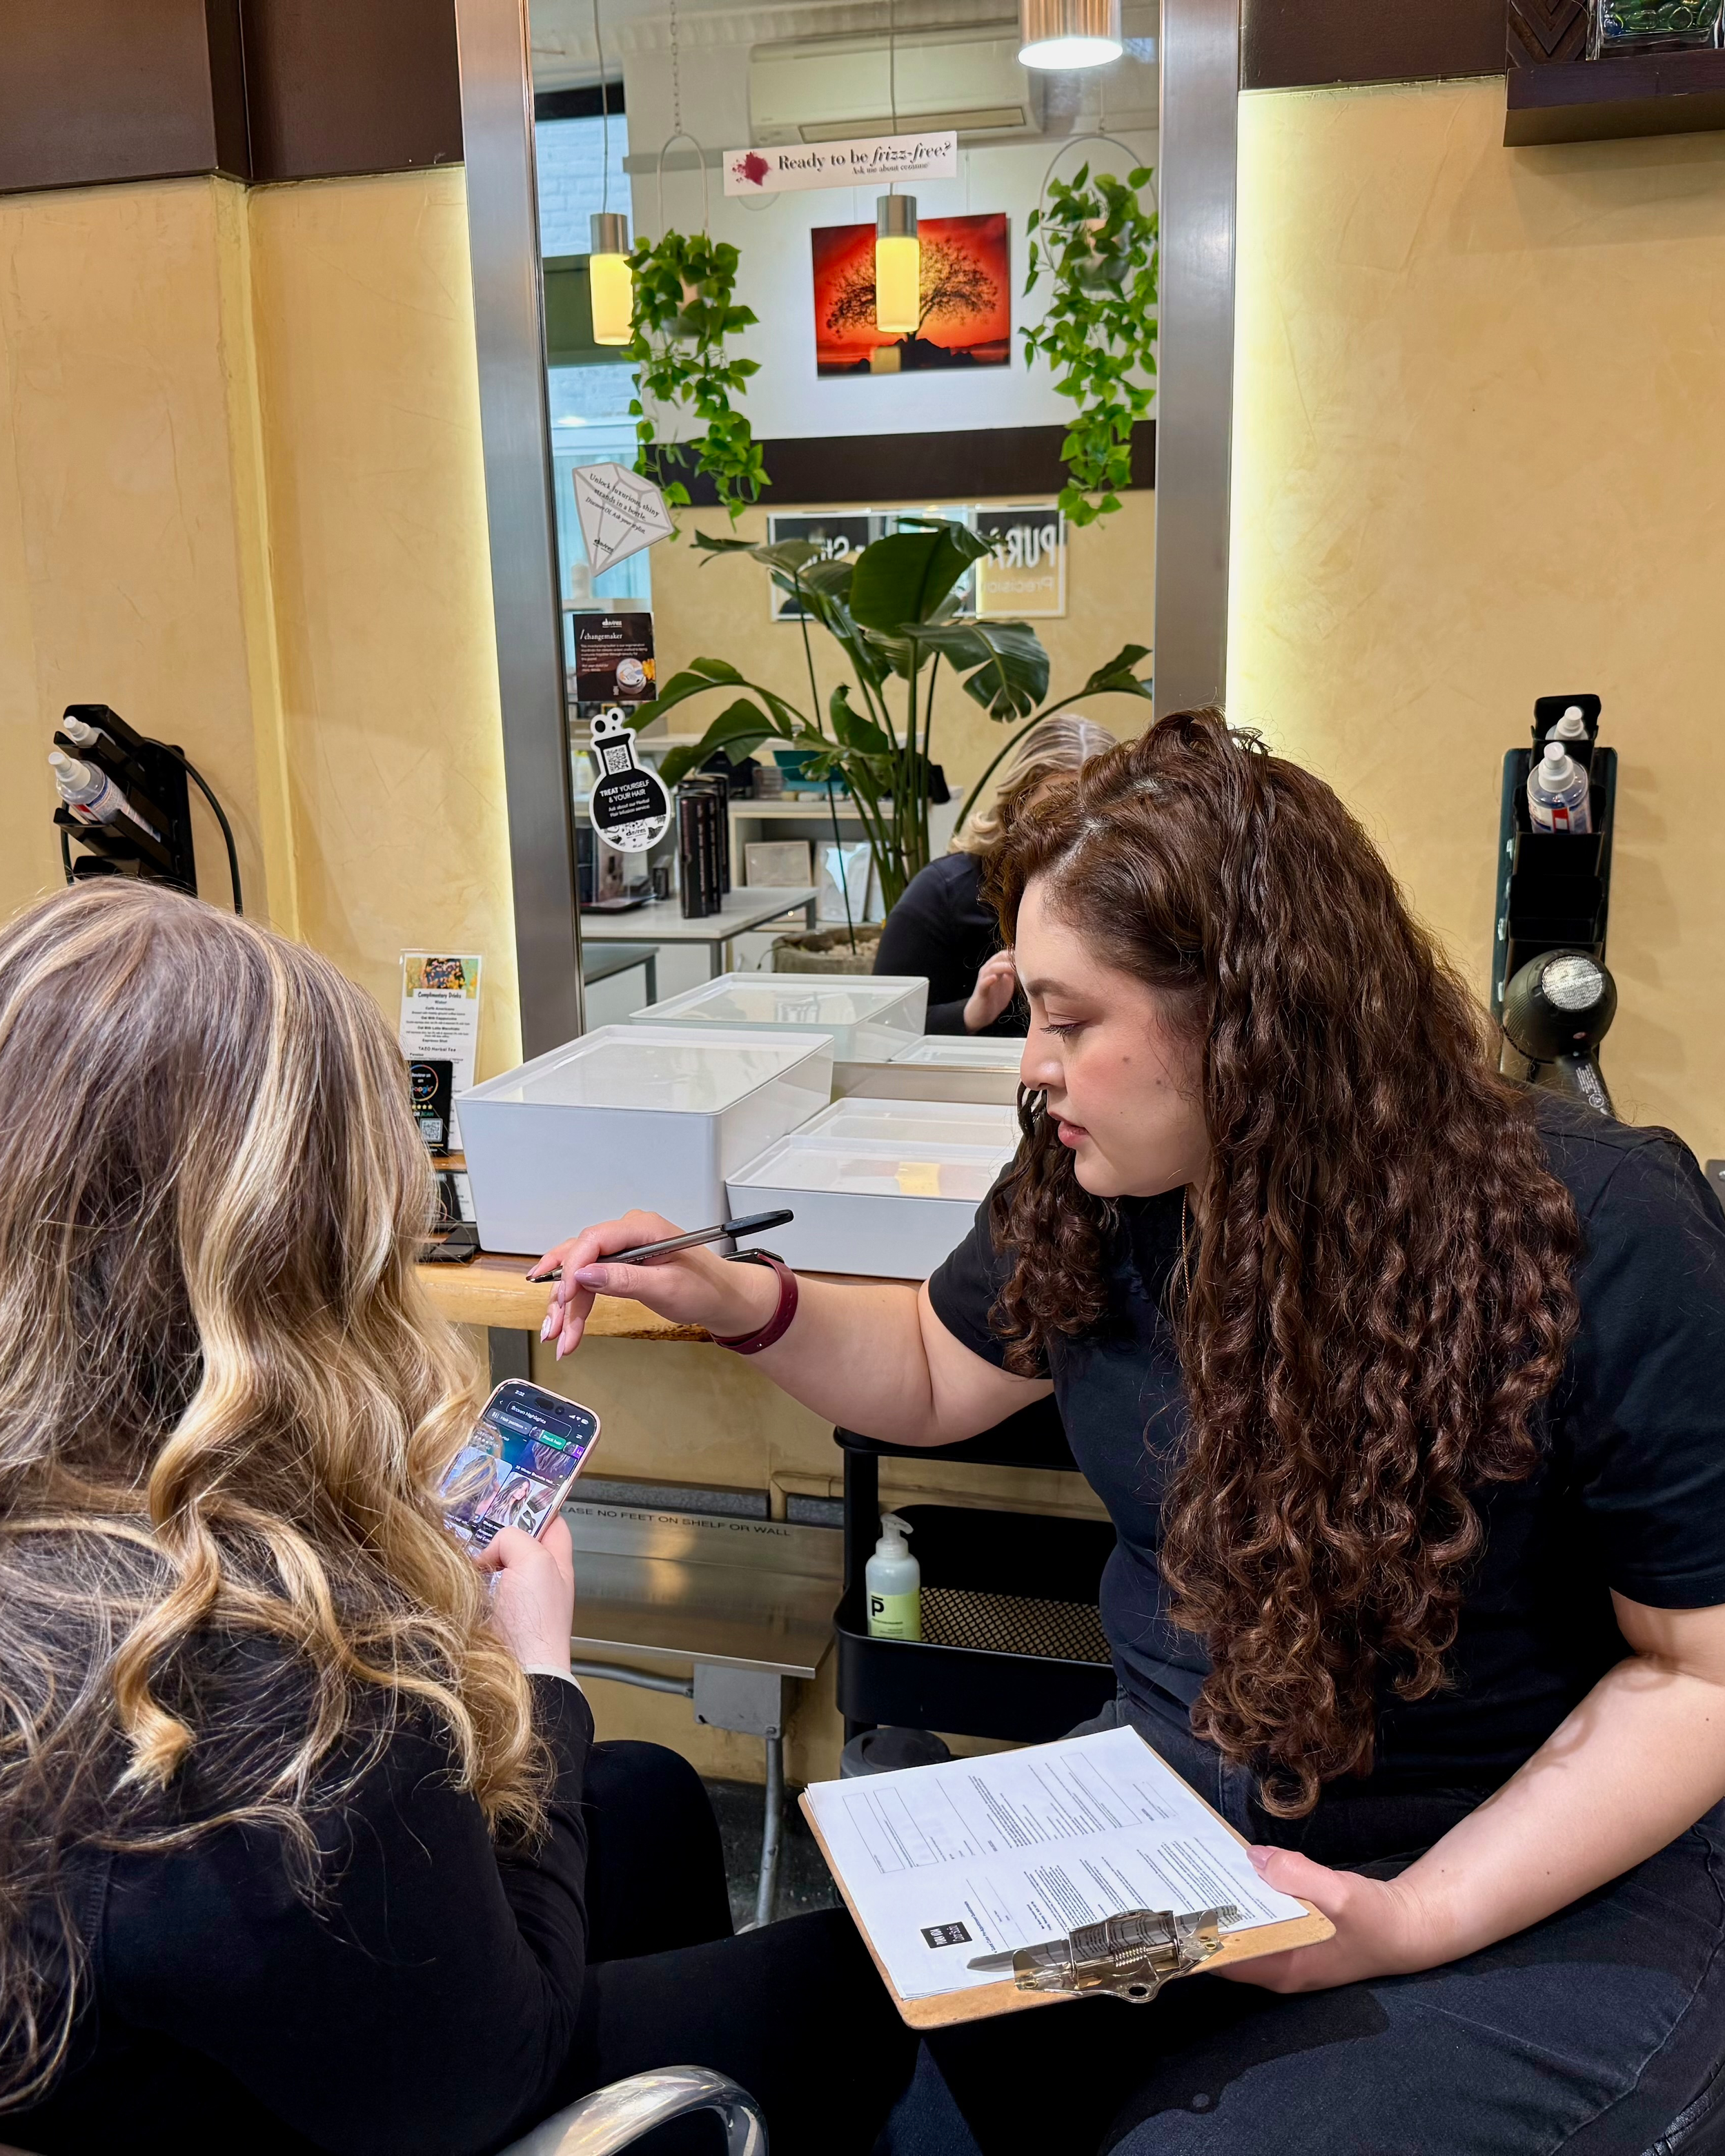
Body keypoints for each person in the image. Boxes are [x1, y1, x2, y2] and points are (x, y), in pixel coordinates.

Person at [539, 711, 1725, 2156]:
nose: (1028, 1064)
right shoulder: (1099, 1184)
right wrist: (741, 1300)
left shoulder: (1595, 1231)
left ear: (1244, 1008)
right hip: (1180, 1817)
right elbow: (930, 1365)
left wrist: (1411, 1917)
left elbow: (1694, 1677)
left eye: (1067, 1015)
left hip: (1524, 1870)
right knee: (885, 2094)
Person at [0, 882, 914, 2156]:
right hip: (399, 2098)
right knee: (856, 1984)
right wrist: (533, 1661)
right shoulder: (261, 1677)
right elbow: (487, 2074)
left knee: (643, 1795)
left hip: (153, 2046)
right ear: (299, 1247)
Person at [874, 712, 1116, 1035]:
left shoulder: (1129, 895)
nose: (1072, 834)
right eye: (1054, 813)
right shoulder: (941, 894)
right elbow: (880, 1026)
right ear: (1014, 808)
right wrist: (969, 1014)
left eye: (1091, 814)